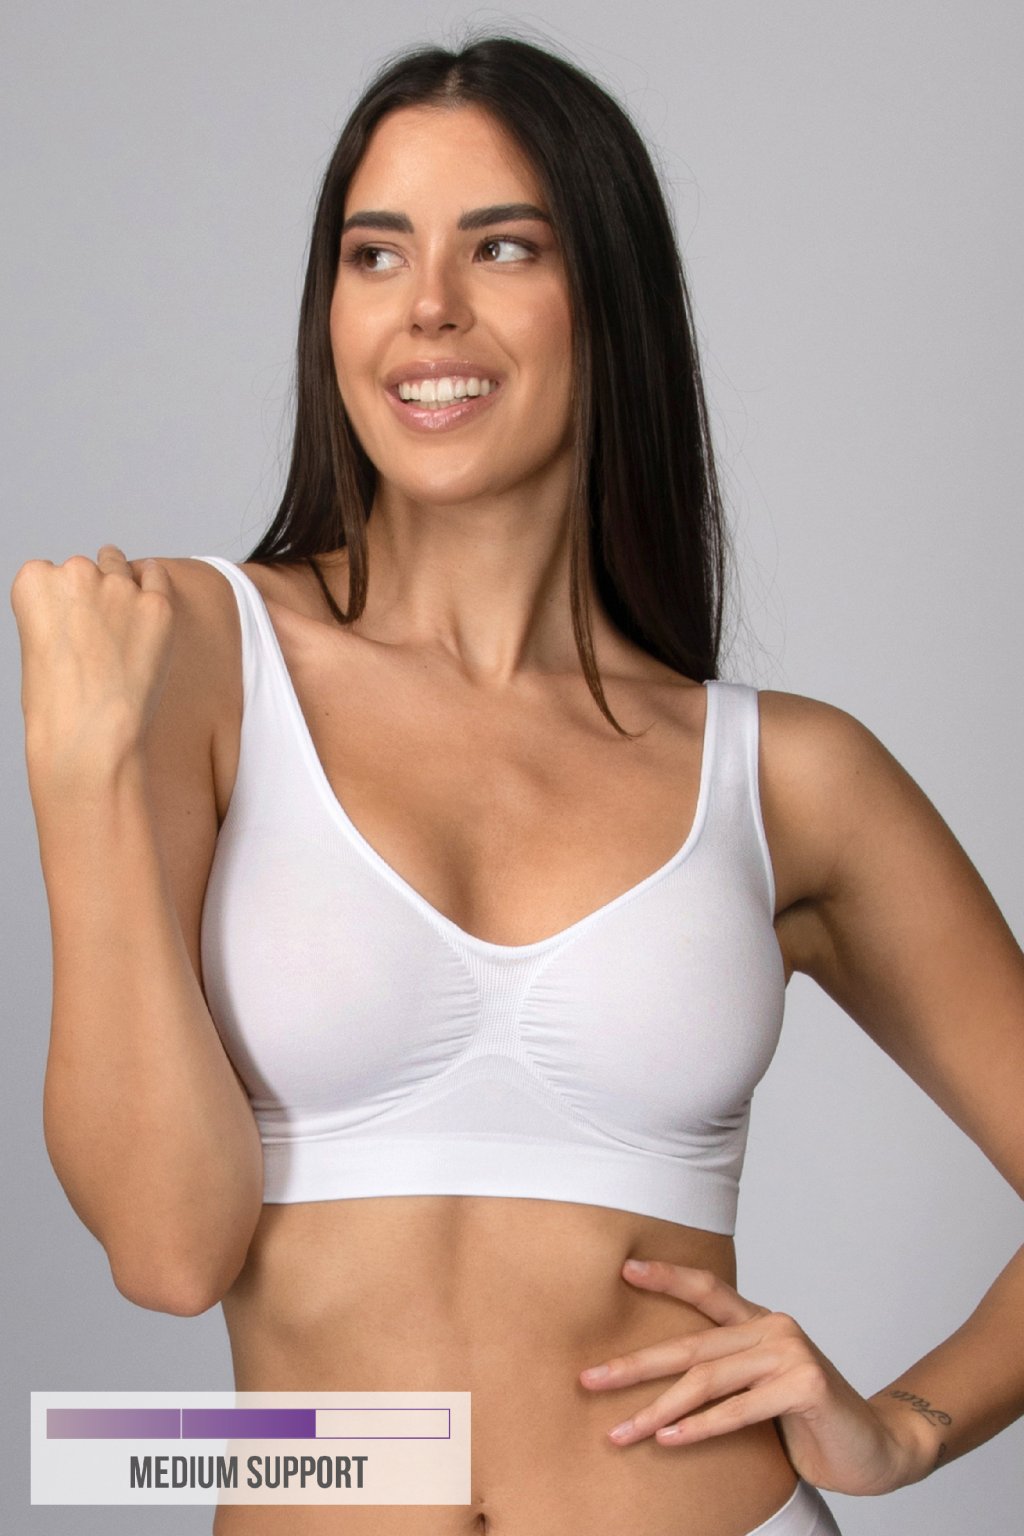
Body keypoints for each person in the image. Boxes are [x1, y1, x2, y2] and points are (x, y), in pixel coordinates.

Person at [11, 32, 1024, 1536]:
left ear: (607, 300)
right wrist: (82, 775)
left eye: (502, 247)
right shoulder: (188, 656)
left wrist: (905, 1430)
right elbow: (169, 1255)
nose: (427, 305)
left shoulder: (786, 775)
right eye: (375, 254)